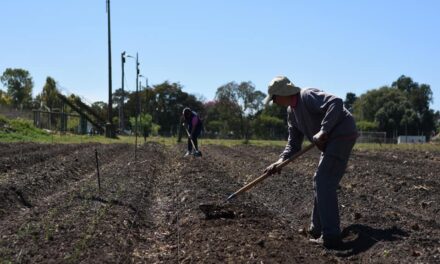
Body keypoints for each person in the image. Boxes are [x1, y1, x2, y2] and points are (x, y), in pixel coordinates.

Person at [263, 76, 357, 249]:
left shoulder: (307, 95)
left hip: (342, 133)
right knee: (319, 180)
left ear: (282, 93)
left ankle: (331, 237)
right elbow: (293, 143)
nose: (274, 102)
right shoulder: (291, 112)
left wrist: (324, 130)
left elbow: (336, 102)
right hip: (328, 142)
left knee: (324, 181)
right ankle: (317, 229)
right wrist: (279, 161)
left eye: (274, 98)